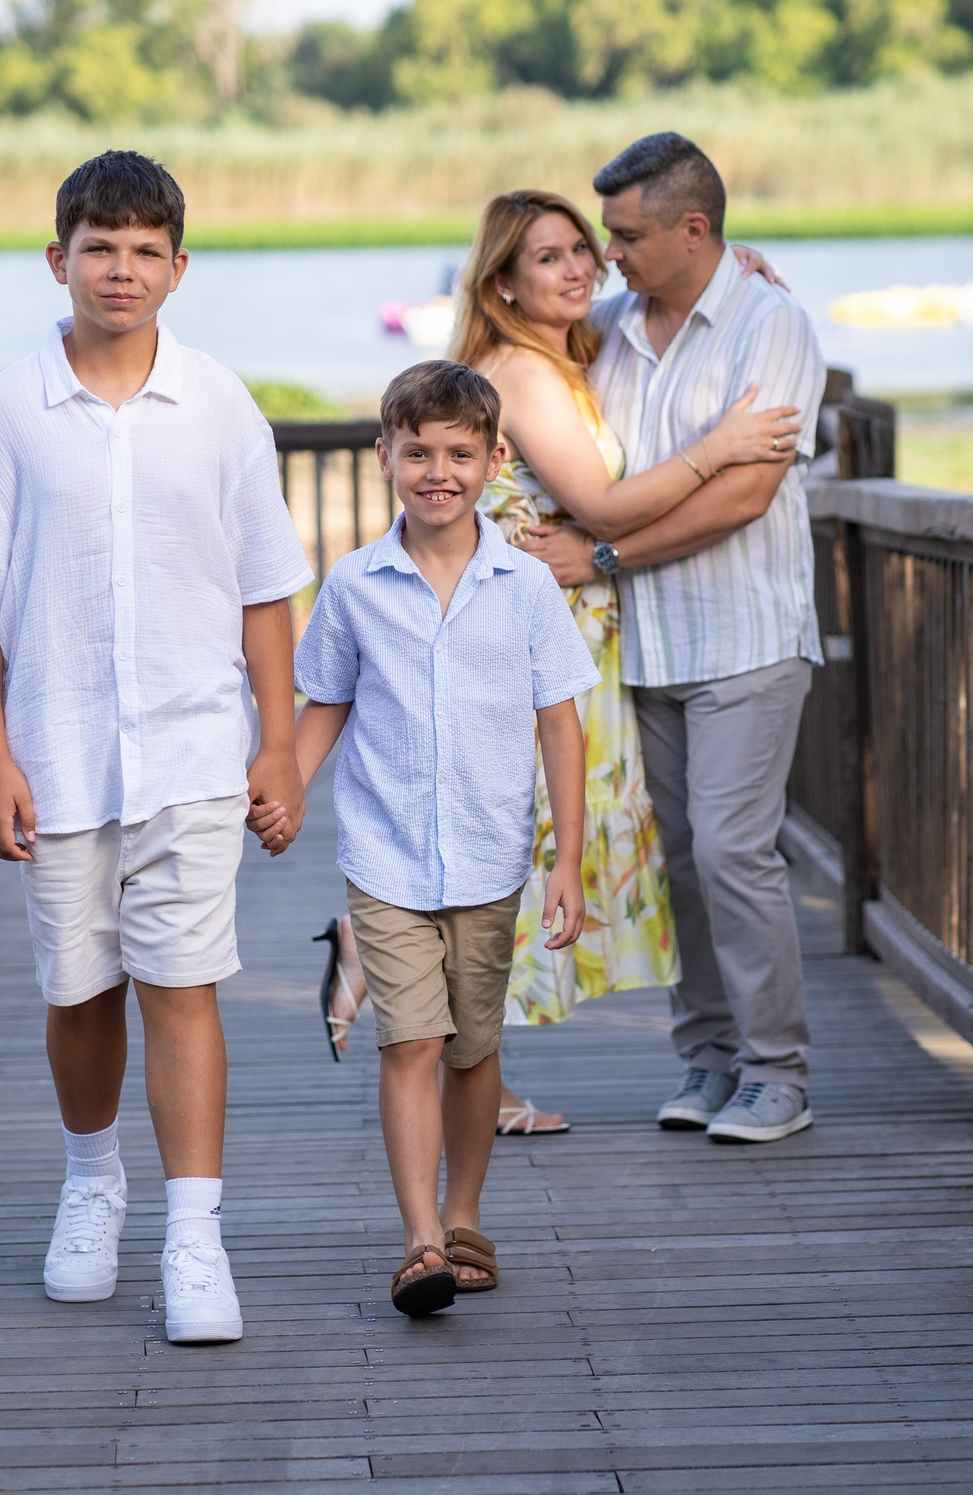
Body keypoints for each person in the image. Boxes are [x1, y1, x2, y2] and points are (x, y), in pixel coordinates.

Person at [0, 150, 311, 1346]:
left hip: (194, 752)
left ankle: (196, 1232)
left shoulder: (223, 406)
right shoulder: (10, 411)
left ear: (179, 269)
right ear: (58, 260)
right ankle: (93, 1185)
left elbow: (264, 592)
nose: (122, 271)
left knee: (183, 986)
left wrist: (278, 743)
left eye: (146, 251)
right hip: (64, 754)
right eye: (100, 248)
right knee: (81, 989)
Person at [313, 220, 800, 1137]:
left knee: (519, 836)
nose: (582, 267)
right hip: (531, 624)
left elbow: (638, 292)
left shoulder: (574, 346)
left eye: (587, 247)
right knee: (513, 836)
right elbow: (604, 504)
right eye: (549, 256)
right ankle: (434, 1021)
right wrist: (726, 441)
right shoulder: (527, 372)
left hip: (575, 623)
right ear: (502, 280)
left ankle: (387, 968)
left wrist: (729, 267)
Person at [519, 132, 826, 1145]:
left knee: (735, 852)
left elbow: (746, 492)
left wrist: (603, 557)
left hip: (744, 636)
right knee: (682, 865)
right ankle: (708, 1062)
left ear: (696, 231)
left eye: (628, 235)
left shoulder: (768, 323)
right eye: (604, 236)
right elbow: (508, 325)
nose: (609, 255)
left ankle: (778, 1074)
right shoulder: (606, 326)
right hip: (641, 652)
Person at [290, 360, 597, 1315]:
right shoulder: (353, 586)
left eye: (460, 453)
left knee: (473, 1046)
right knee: (409, 1041)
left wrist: (568, 862)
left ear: (494, 458)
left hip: (489, 855)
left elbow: (560, 723)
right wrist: (284, 790)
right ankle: (420, 1238)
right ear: (383, 454)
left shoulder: (526, 587)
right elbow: (324, 703)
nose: (438, 471)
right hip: (383, 856)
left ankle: (465, 1214)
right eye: (416, 450)